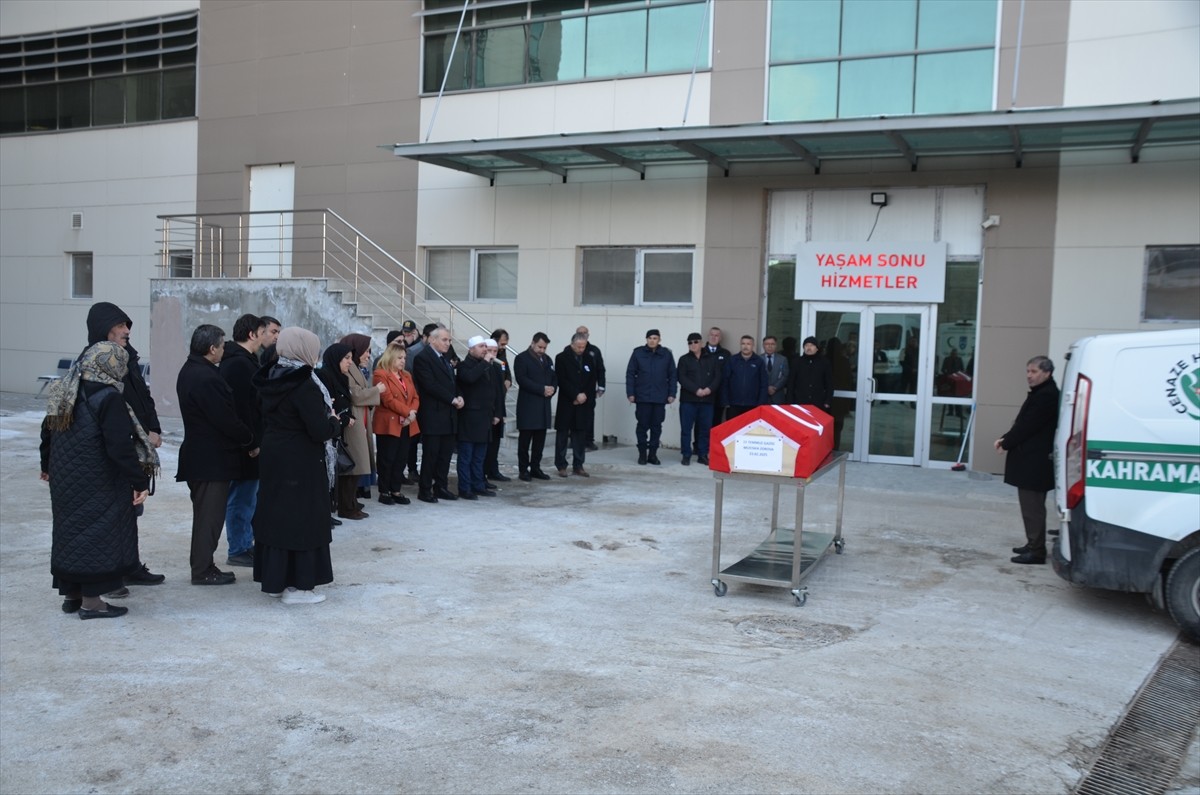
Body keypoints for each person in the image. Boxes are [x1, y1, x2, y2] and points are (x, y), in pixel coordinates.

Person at [41, 341, 156, 619]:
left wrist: (47, 466)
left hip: (66, 477)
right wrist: (139, 481)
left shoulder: (64, 388)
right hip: (98, 480)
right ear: (110, 365)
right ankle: (92, 603)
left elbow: (48, 432)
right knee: (97, 536)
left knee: (70, 534)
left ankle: (72, 595)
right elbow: (119, 447)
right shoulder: (108, 397)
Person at [252, 327, 346, 605]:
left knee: (277, 516)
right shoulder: (303, 383)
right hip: (301, 459)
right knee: (303, 518)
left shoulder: (271, 375)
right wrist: (334, 422)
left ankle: (275, 581)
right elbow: (318, 429)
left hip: (275, 454)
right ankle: (300, 586)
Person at [82, 301, 165, 591]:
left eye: (127, 325)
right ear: (104, 329)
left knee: (131, 514)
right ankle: (111, 574)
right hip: (110, 452)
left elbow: (144, 396)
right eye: (121, 325)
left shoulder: (127, 358)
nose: (127, 330)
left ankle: (129, 566)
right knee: (111, 517)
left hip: (135, 446)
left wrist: (152, 428)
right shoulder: (93, 364)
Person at [175, 324, 254, 586]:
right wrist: (250, 439)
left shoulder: (193, 369)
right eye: (221, 346)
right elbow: (225, 419)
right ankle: (202, 569)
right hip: (209, 460)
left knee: (206, 516)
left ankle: (204, 565)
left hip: (203, 457)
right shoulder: (205, 377)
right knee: (209, 518)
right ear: (211, 349)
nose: (223, 350)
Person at [994, 356, 1060, 565]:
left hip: (1035, 462)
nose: (1029, 376)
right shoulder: (1041, 393)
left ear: (1047, 373)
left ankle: (1037, 551)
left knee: (1033, 508)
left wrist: (1006, 443)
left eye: (1033, 372)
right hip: (1031, 460)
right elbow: (1022, 422)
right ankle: (1033, 543)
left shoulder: (1046, 396)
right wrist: (1006, 437)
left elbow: (1028, 426)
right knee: (1031, 507)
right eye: (1028, 371)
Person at [219, 313, 266, 567]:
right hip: (246, 445)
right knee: (241, 497)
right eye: (262, 333)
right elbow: (241, 408)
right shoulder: (238, 364)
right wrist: (251, 442)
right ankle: (238, 548)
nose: (264, 338)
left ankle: (244, 543)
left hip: (250, 441)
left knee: (248, 496)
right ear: (251, 334)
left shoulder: (245, 360)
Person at [413, 327, 463, 502]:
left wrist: (459, 396)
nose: (448, 343)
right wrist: (452, 399)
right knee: (431, 454)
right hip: (433, 414)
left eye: (449, 340)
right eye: (445, 340)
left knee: (445, 455)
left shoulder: (444, 358)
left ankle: (441, 486)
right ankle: (425, 489)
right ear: (433, 340)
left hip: (448, 415)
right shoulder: (423, 358)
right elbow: (430, 385)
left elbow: (452, 382)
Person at [315, 343, 363, 519]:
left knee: (335, 471)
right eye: (347, 358)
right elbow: (327, 406)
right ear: (336, 359)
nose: (350, 362)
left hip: (339, 430)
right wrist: (342, 418)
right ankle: (326, 511)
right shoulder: (324, 376)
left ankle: (332, 509)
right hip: (329, 432)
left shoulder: (341, 377)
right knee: (327, 473)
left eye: (351, 358)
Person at [372, 343, 418, 506]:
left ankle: (395, 490)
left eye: (404, 358)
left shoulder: (406, 375)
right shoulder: (380, 374)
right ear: (390, 357)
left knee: (401, 458)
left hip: (406, 423)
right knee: (387, 458)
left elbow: (415, 397)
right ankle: (384, 491)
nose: (403, 361)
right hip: (389, 423)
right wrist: (408, 413)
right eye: (399, 358)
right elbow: (388, 400)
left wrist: (411, 414)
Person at [456, 335, 501, 498]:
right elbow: (469, 378)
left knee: (479, 456)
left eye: (485, 346)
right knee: (467, 456)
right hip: (470, 418)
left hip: (484, 418)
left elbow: (495, 391)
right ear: (471, 349)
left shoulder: (487, 366)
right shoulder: (463, 366)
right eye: (481, 347)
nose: (484, 350)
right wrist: (484, 363)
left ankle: (478, 484)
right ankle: (465, 488)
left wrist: (497, 412)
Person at [341, 333, 383, 501]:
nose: (368, 355)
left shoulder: (356, 368)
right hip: (354, 419)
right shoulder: (348, 368)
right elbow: (355, 395)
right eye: (365, 351)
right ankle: (348, 502)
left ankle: (352, 500)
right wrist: (376, 391)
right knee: (354, 461)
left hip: (362, 418)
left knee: (360, 461)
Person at [626, 329, 676, 466]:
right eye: (650, 338)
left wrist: (672, 394)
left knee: (656, 427)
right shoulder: (638, 353)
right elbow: (630, 373)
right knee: (642, 426)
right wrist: (630, 393)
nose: (652, 340)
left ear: (659, 339)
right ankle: (642, 454)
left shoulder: (666, 354)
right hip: (642, 397)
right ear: (646, 339)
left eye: (655, 338)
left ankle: (652, 455)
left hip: (660, 397)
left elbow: (672, 375)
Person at [554, 332, 599, 477]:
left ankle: (578, 465)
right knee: (562, 435)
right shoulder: (561, 358)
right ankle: (561, 465)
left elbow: (592, 379)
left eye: (583, 346)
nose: (581, 349)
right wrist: (575, 395)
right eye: (579, 346)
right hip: (567, 402)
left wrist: (584, 395)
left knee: (579, 434)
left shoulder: (589, 358)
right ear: (572, 344)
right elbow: (562, 380)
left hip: (583, 403)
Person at [514, 332, 557, 481]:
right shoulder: (522, 358)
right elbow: (522, 380)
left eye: (544, 348)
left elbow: (553, 378)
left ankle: (535, 467)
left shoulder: (547, 360)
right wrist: (541, 389)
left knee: (539, 441)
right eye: (540, 347)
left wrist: (552, 389)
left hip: (543, 406)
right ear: (532, 343)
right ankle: (523, 469)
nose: (542, 350)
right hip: (528, 406)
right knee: (525, 441)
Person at [677, 332, 720, 466]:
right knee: (686, 429)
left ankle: (702, 455)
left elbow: (718, 377)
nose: (693, 345)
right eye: (690, 342)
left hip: (707, 400)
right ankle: (686, 454)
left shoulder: (712, 359)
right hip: (688, 400)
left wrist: (709, 389)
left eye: (695, 342)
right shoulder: (684, 359)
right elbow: (682, 378)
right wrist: (696, 390)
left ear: (701, 343)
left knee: (705, 429)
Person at [484, 330, 512, 483]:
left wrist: (508, 380)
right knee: (486, 443)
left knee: (495, 442)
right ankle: (485, 472)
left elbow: (507, 372)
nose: (502, 348)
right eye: (501, 344)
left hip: (499, 403)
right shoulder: (486, 362)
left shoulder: (502, 356)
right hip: (489, 408)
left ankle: (493, 470)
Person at [573, 326, 606, 451]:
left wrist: (601, 386)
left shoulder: (594, 351)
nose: (582, 335)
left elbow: (600, 369)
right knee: (573, 415)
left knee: (589, 415)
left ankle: (588, 440)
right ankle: (574, 439)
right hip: (574, 390)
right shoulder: (569, 349)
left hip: (589, 389)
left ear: (588, 335)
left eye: (584, 333)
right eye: (579, 333)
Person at [723, 335, 767, 419]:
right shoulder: (732, 360)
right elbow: (725, 381)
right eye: (743, 343)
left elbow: (763, 383)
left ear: (752, 345)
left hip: (753, 404)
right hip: (734, 404)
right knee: (733, 429)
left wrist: (761, 402)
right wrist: (725, 401)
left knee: (750, 430)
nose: (745, 346)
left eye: (748, 344)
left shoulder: (759, 361)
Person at [788, 336, 833, 412]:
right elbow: (791, 383)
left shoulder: (824, 362)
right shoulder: (796, 362)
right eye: (806, 345)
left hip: (819, 403)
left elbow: (829, 383)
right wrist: (790, 402)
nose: (809, 348)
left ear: (817, 348)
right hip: (799, 403)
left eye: (811, 345)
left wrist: (827, 401)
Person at [703, 326, 731, 428]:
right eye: (712, 335)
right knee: (702, 423)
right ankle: (699, 444)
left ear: (720, 338)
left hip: (719, 395)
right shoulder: (701, 352)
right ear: (708, 336)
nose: (714, 337)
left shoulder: (726, 354)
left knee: (716, 423)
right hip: (703, 395)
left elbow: (727, 375)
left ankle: (713, 444)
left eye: (717, 335)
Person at [762, 335, 789, 405]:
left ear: (776, 345)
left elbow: (785, 375)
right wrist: (766, 387)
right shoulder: (758, 359)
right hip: (763, 396)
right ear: (763, 346)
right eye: (767, 344)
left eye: (772, 344)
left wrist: (775, 388)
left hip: (778, 396)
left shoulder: (783, 359)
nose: (770, 346)